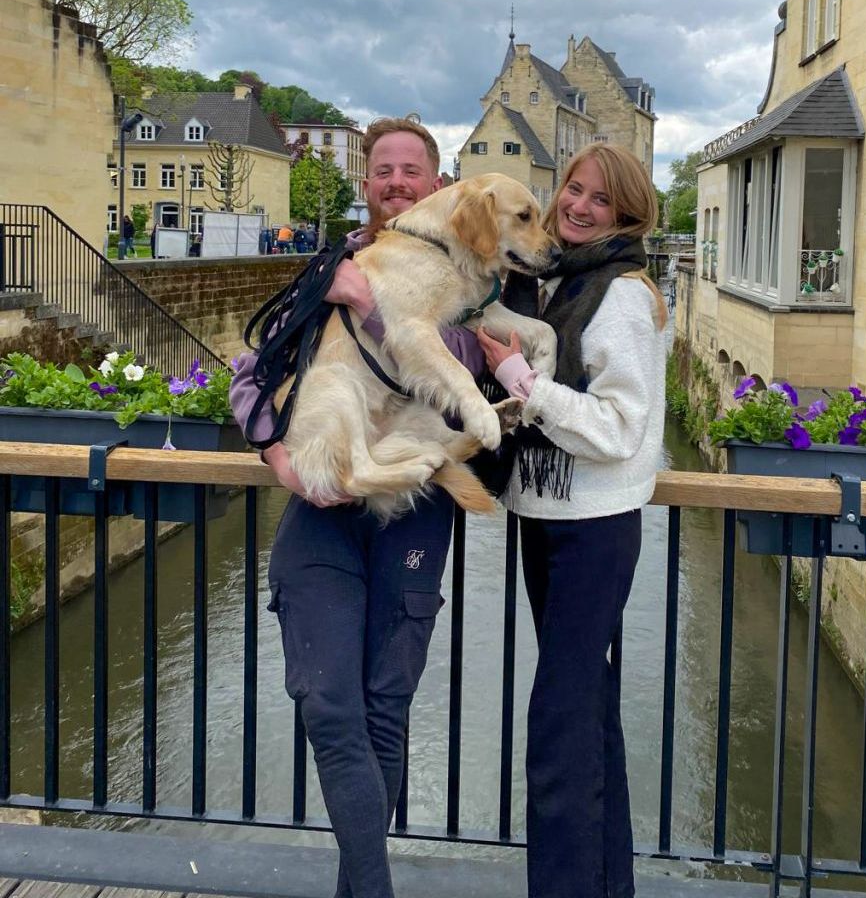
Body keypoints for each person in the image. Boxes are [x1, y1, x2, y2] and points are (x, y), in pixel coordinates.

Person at [229, 118, 484, 898]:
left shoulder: (466, 277)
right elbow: (251, 372)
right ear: (367, 184)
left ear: (436, 185)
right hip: (324, 509)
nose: (397, 182)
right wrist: (276, 454)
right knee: (328, 703)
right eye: (384, 170)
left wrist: (369, 304)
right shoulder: (329, 266)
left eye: (412, 170)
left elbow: (455, 373)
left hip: (412, 509)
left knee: (382, 708)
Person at [475, 143, 667, 898]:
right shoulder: (553, 282)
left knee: (559, 728)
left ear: (627, 215)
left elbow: (621, 429)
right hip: (547, 516)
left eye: (601, 199)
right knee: (587, 719)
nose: (579, 207)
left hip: (592, 529)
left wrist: (522, 383)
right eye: (574, 191)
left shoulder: (621, 295)